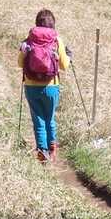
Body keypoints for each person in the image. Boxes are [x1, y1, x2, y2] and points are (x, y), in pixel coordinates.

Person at [19, 9, 70, 162]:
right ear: (53, 24)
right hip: (51, 85)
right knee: (50, 118)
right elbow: (64, 66)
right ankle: (52, 149)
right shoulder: (57, 40)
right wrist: (69, 56)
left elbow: (20, 62)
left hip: (31, 86)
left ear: (37, 23)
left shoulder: (29, 39)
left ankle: (42, 151)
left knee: (38, 120)